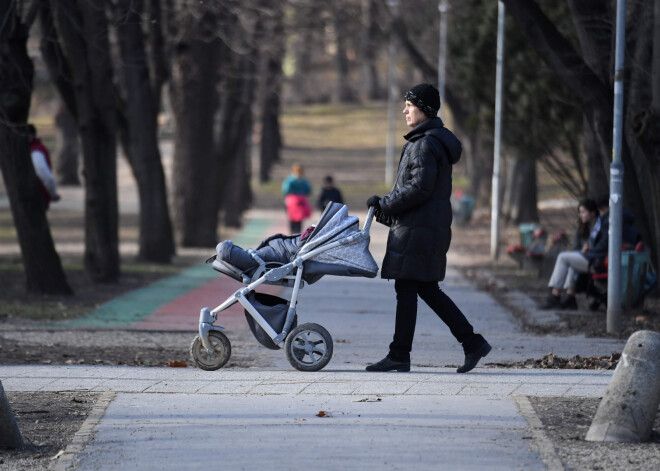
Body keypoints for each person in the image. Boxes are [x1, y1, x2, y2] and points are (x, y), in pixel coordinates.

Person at [365, 83, 491, 374]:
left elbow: (419, 188)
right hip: (424, 227)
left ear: (424, 108)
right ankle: (470, 342)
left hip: (418, 228)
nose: (404, 110)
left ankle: (401, 354)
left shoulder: (424, 143)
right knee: (422, 289)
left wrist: (385, 204)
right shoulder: (429, 140)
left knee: (411, 287)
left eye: (409, 105)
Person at [540, 198, 607, 310]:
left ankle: (554, 295)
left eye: (583, 212)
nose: (580, 215)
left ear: (592, 213)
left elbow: (602, 247)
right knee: (569, 261)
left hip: (596, 261)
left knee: (563, 257)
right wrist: (582, 251)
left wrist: (589, 249)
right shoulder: (582, 228)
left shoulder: (602, 226)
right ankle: (570, 297)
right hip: (586, 258)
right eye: (579, 212)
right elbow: (575, 248)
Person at [28, 124, 60, 210]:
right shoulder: (34, 149)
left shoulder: (36, 152)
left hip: (36, 196)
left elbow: (45, 176)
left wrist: (52, 193)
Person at [281, 163, 312, 234]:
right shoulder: (303, 181)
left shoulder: (289, 180)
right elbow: (308, 190)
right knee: (299, 219)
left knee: (291, 218)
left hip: (291, 201)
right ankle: (298, 234)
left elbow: (285, 190)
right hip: (301, 201)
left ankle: (291, 233)